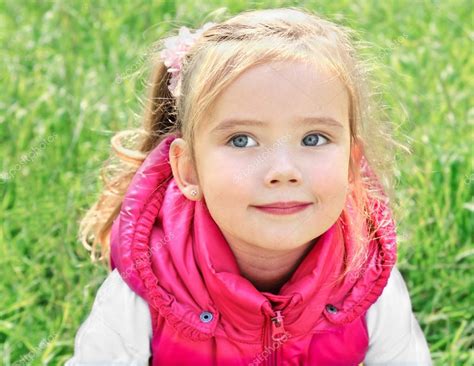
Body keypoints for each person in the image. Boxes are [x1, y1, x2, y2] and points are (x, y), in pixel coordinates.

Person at [65, 7, 433, 365]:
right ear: (190, 171)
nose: (283, 171)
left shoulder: (363, 278)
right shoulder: (152, 285)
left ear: (352, 164)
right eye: (242, 140)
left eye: (314, 139)